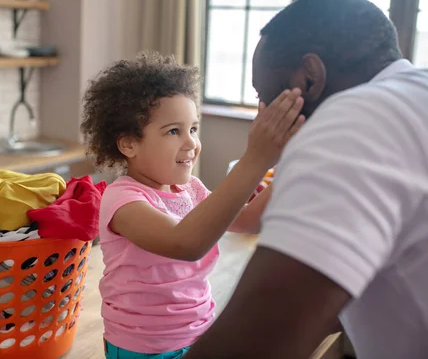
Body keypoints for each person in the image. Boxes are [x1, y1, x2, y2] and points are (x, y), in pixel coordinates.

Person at [184, 0, 428, 359]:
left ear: (309, 78)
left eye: (265, 95)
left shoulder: (353, 124)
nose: (263, 113)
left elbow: (257, 338)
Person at [80, 52, 304, 359]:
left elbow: (246, 220)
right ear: (129, 144)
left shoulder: (191, 188)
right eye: (174, 131)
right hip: (144, 347)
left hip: (198, 331)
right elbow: (184, 242)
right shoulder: (123, 200)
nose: (191, 143)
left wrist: (294, 164)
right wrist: (256, 159)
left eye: (193, 129)